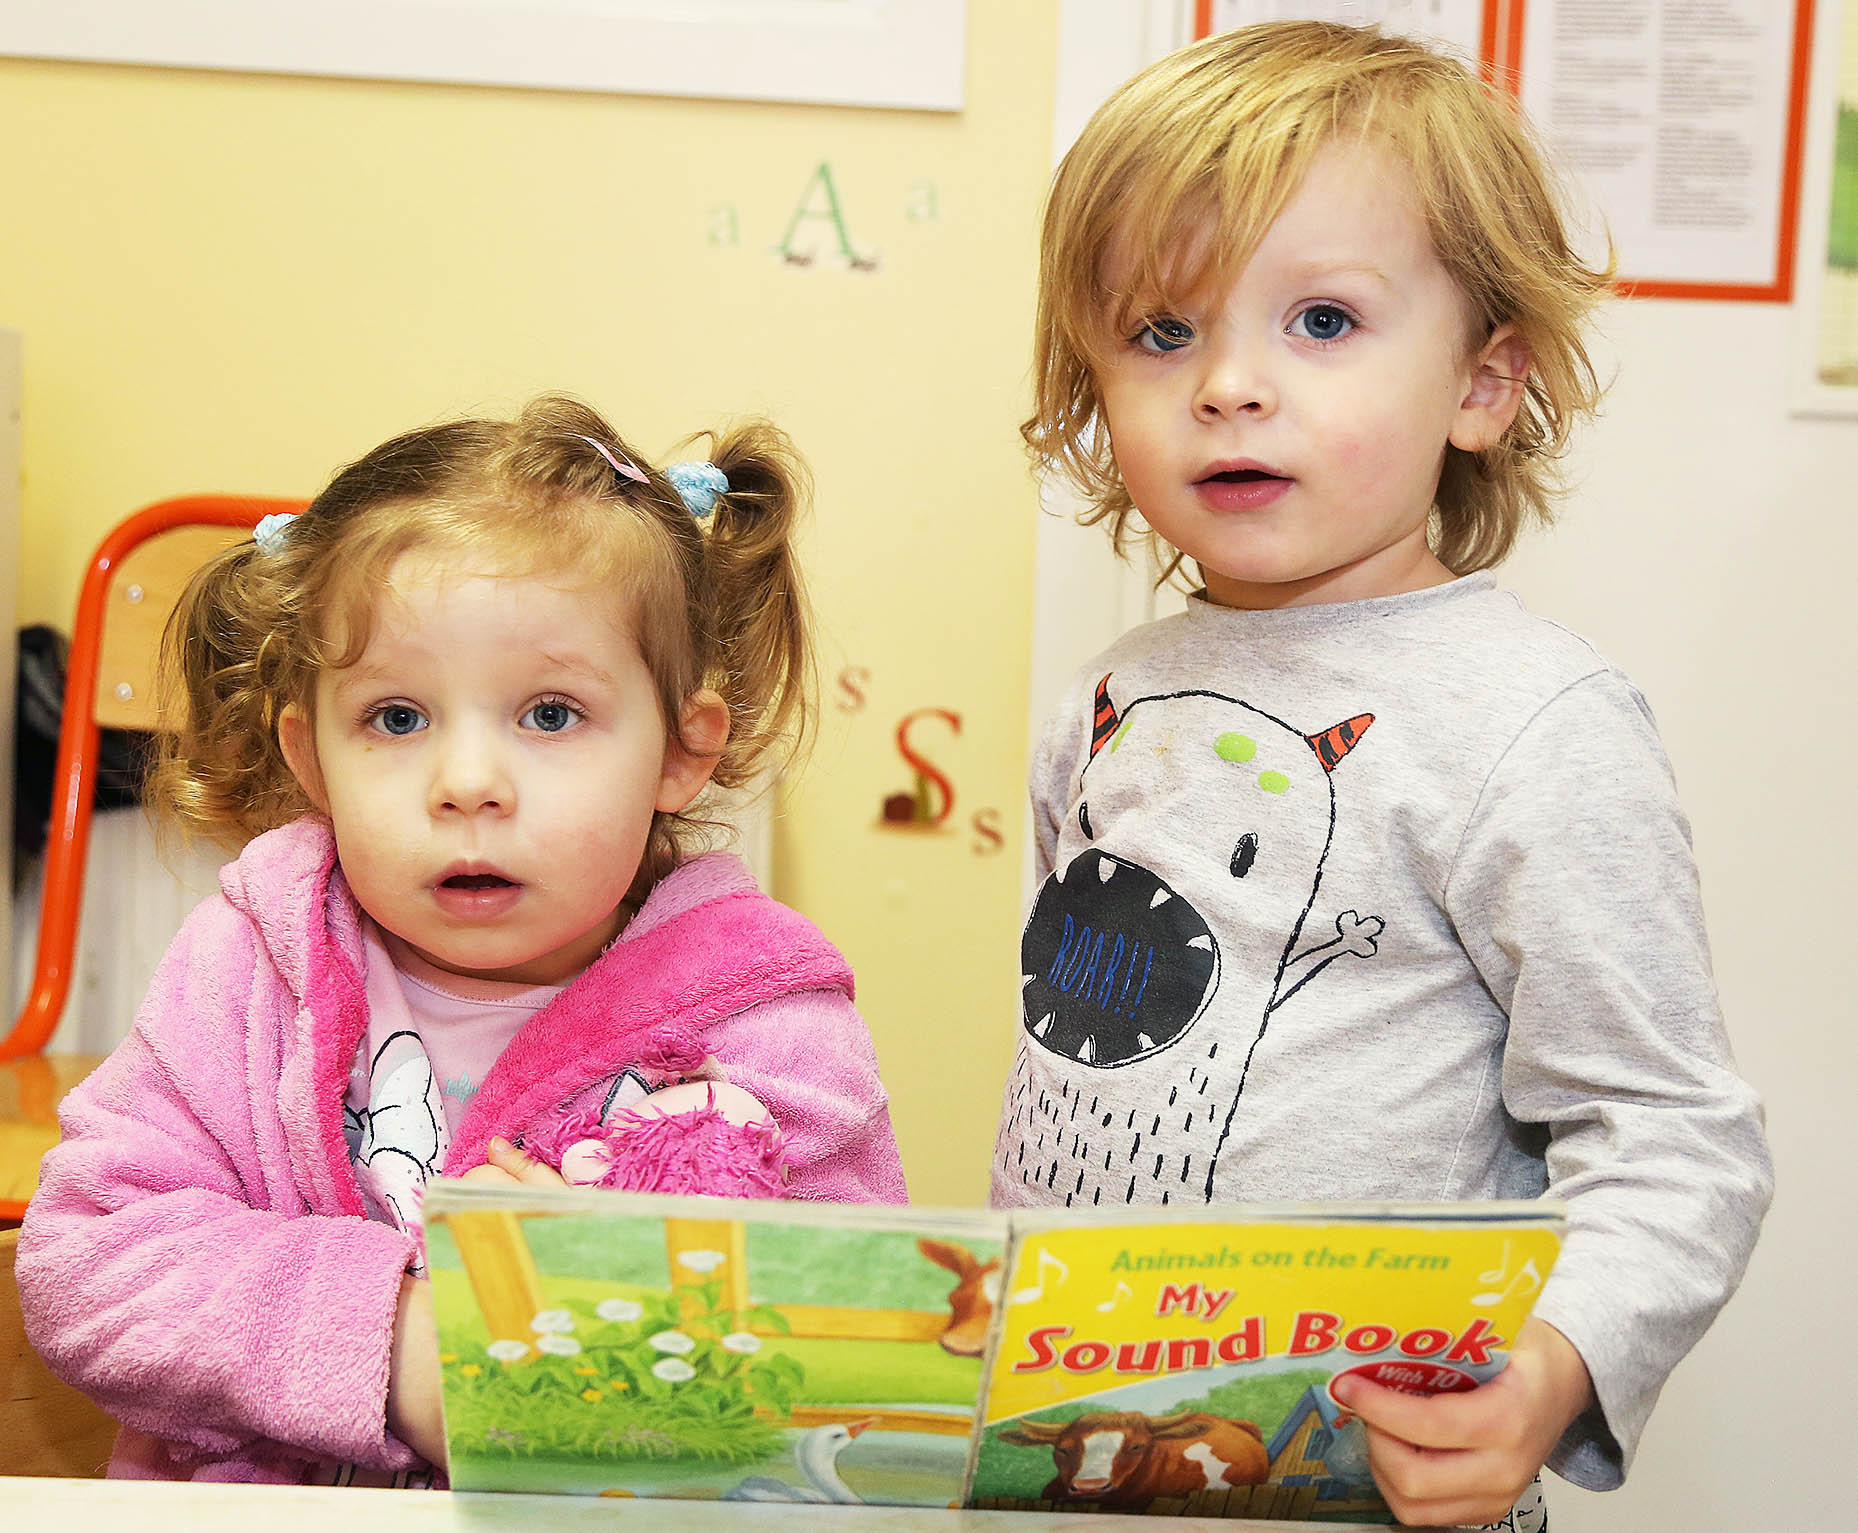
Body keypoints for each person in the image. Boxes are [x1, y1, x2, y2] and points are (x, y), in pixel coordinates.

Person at [990, 22, 1771, 1529]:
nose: (1226, 383)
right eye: (1162, 332)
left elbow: (1674, 1136)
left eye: (1323, 322)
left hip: (1372, 1491)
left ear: (1481, 385)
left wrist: (1549, 1373)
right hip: (1074, 1462)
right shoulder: (1107, 693)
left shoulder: (1536, 721)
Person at [19, 395, 906, 1484]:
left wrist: (591, 1288)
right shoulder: (245, 967)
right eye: (396, 718)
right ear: (311, 760)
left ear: (681, 752)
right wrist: (400, 1346)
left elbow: (855, 1329)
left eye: (548, 714)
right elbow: (90, 1257)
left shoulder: (766, 1020)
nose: (469, 785)